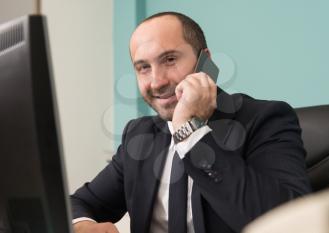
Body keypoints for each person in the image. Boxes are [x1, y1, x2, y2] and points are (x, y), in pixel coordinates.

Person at [71, 11, 311, 233]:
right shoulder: (139, 135)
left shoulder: (265, 119)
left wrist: (190, 133)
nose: (156, 82)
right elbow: (78, 203)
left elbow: (289, 223)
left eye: (170, 59)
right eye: (143, 67)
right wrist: (82, 226)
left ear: (204, 62)